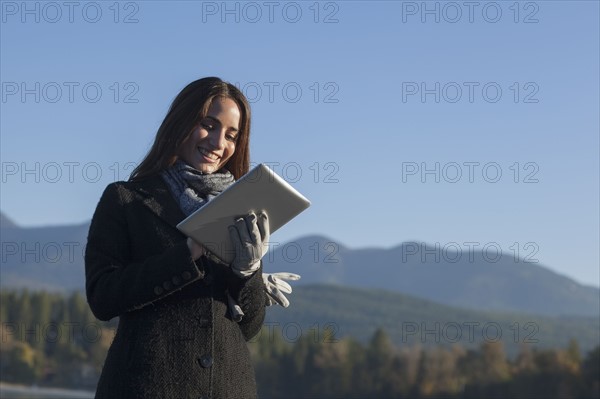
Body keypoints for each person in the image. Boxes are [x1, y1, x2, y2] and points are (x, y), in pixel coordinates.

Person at [85, 77, 299, 398]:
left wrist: (248, 271)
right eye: (208, 125)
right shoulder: (125, 199)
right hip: (145, 388)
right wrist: (188, 252)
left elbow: (249, 327)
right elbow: (103, 297)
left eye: (231, 135)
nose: (218, 143)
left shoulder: (242, 209)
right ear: (180, 123)